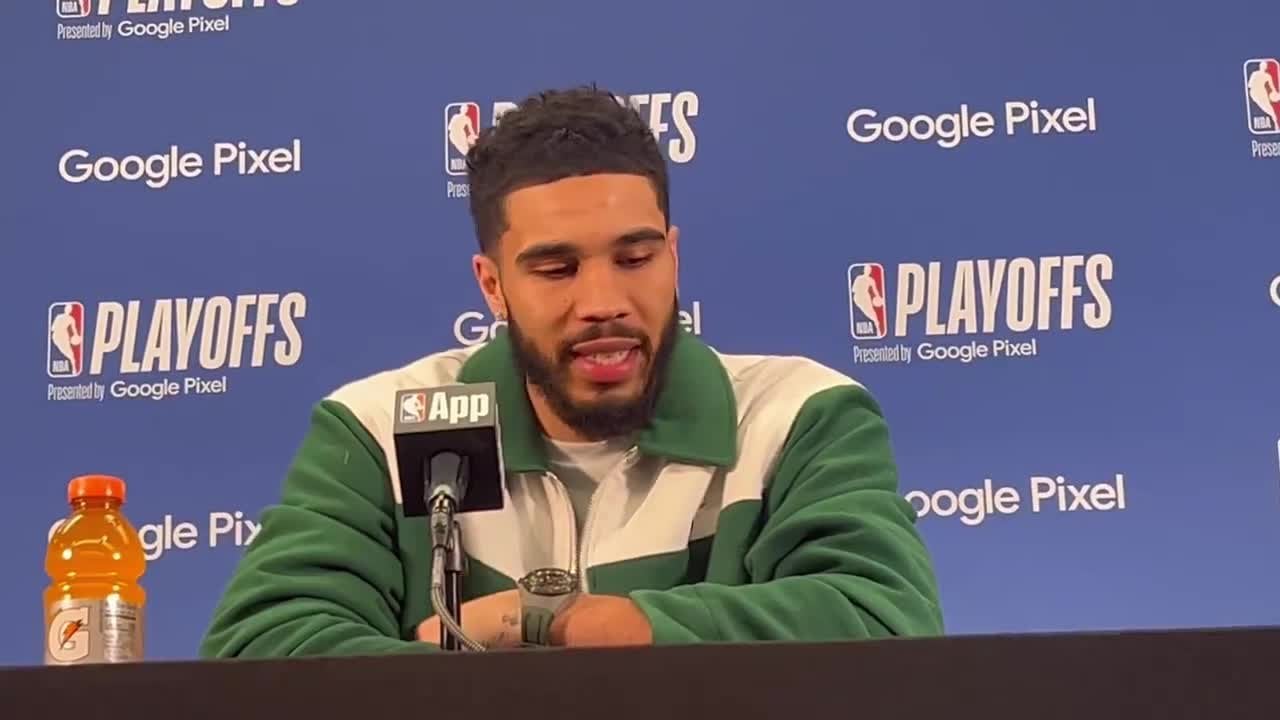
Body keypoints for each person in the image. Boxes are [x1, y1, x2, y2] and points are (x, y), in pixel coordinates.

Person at [199, 85, 944, 657]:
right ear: (493, 286)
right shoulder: (381, 424)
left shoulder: (798, 413)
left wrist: (551, 622)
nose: (603, 302)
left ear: (674, 255)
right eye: (556, 269)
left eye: (635, 257)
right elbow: (261, 650)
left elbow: (885, 622)